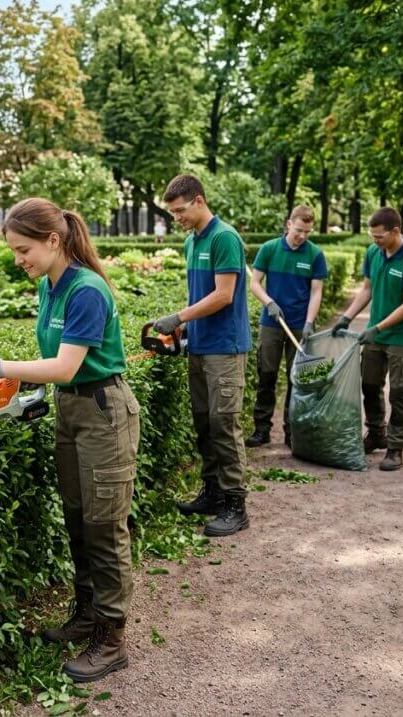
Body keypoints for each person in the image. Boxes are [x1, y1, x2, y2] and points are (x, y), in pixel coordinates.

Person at [0, 198, 138, 683]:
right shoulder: (50, 287)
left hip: (103, 410)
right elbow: (56, 365)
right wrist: (19, 394)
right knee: (78, 519)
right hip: (71, 408)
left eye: (24, 249)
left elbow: (65, 366)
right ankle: (87, 614)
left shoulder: (86, 290)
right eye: (15, 251)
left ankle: (113, 637)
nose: (19, 259)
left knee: (105, 525)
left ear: (53, 241)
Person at [152, 174, 251, 537]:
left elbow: (224, 295)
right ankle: (212, 494)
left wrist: (179, 317)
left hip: (225, 348)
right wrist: (185, 328)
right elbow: (200, 297)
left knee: (224, 427)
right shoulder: (192, 242)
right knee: (204, 425)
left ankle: (236, 507)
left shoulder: (225, 238)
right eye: (173, 212)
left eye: (180, 211)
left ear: (198, 201)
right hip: (201, 346)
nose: (176, 218)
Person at [331, 207, 403, 471]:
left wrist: (378, 328)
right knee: (369, 385)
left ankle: (396, 447)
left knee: (399, 392)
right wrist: (346, 317)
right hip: (376, 334)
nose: (375, 241)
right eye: (372, 236)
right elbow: (367, 290)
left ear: (396, 231)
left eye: (379, 236)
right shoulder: (373, 252)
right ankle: (376, 433)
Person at [246, 205, 327, 448]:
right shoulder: (269, 249)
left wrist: (310, 322)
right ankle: (262, 429)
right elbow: (255, 283)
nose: (302, 236)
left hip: (300, 325)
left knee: (297, 380)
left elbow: (316, 292)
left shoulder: (314, 254)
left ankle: (293, 432)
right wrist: (269, 302)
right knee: (266, 376)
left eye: (308, 232)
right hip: (271, 323)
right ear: (288, 224)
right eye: (299, 230)